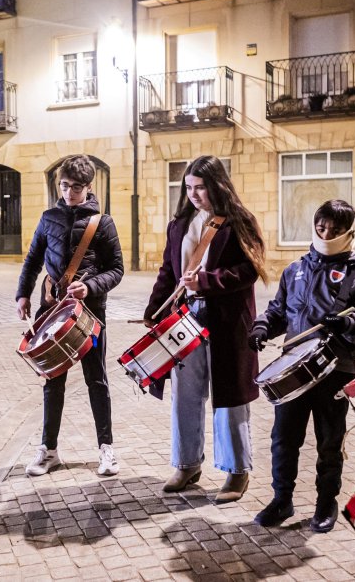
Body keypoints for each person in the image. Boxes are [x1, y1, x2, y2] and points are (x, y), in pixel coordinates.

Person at [248, 200, 355, 532]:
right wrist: (262, 326)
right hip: (294, 368)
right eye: (321, 227)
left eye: (335, 230)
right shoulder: (295, 269)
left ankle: (326, 503)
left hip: (336, 369)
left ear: (349, 231)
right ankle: (282, 500)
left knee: (329, 440)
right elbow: (280, 311)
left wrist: (349, 323)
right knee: (283, 439)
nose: (326, 234)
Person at [143, 155, 268, 502]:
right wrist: (153, 311)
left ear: (217, 185)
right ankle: (186, 465)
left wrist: (206, 281)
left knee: (229, 400)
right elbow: (168, 273)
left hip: (228, 323)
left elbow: (249, 271)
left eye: (201, 187)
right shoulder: (180, 224)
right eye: (189, 188)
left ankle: (236, 471)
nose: (194, 194)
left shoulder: (240, 221)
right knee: (185, 395)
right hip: (185, 319)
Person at [16, 155, 124, 477]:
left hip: (89, 311)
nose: (68, 193)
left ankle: (107, 449)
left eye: (75, 188)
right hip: (51, 308)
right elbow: (33, 258)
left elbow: (117, 270)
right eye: (64, 186)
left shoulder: (102, 222)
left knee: (97, 380)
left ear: (88, 187)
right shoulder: (49, 217)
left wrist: (90, 287)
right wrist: (23, 293)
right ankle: (49, 451)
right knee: (52, 381)